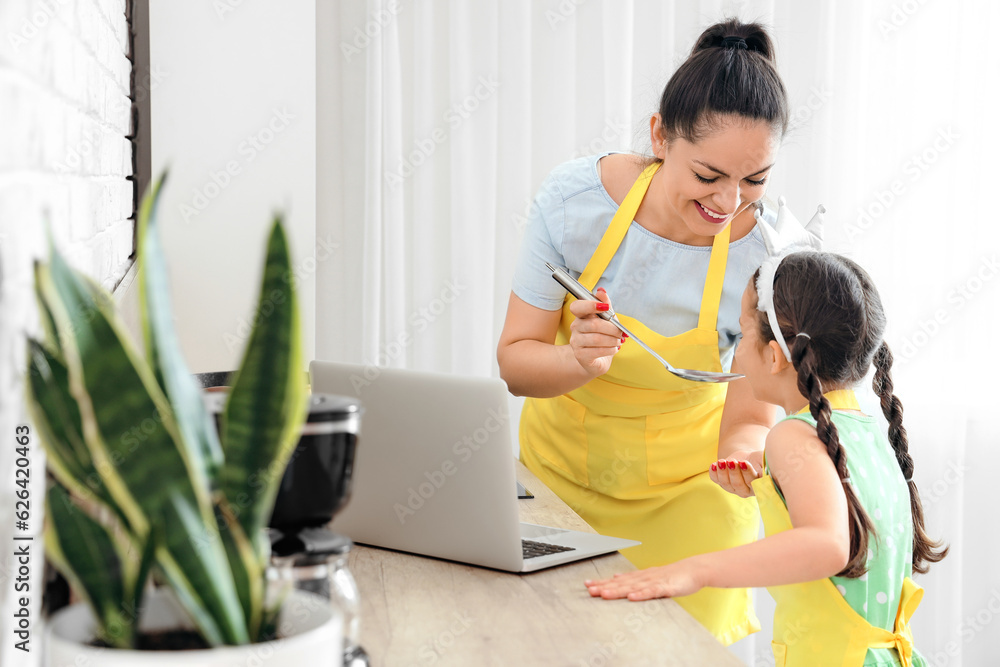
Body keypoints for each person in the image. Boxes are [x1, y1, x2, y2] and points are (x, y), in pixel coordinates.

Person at [497, 19, 790, 643]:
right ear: (660, 136)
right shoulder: (575, 203)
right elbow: (516, 361)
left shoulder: (768, 253)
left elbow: (747, 410)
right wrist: (577, 363)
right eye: (708, 176)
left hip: (693, 495)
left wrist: (744, 451)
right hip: (559, 488)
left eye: (755, 181)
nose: (728, 202)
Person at [585, 246, 948, 667]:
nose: (735, 352)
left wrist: (695, 570)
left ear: (775, 356)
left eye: (741, 334)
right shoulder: (868, 433)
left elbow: (827, 544)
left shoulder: (792, 434)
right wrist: (772, 469)